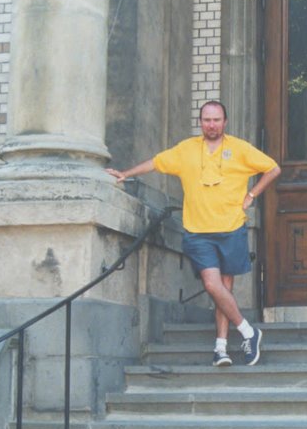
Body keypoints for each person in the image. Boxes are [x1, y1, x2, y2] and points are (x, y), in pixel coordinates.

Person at [105, 100, 280, 367]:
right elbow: (156, 162)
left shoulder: (240, 149)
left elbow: (273, 168)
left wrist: (252, 194)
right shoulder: (186, 150)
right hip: (199, 232)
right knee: (212, 286)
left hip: (231, 227)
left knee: (224, 290)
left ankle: (220, 348)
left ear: (225, 122)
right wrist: (125, 173)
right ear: (201, 122)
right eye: (207, 120)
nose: (212, 125)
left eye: (217, 120)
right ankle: (249, 332)